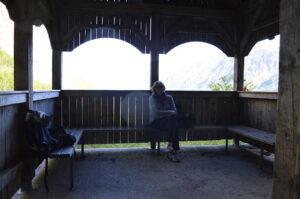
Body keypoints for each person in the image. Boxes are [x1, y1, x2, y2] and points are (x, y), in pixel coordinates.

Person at [148, 81, 180, 162]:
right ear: (154, 89)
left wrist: (162, 113)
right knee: (173, 122)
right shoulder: (152, 98)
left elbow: (174, 110)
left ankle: (170, 146)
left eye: (161, 88)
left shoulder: (169, 97)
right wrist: (168, 112)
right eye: (158, 88)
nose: (160, 90)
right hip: (156, 122)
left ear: (164, 88)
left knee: (172, 121)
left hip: (167, 121)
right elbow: (154, 113)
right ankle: (173, 147)